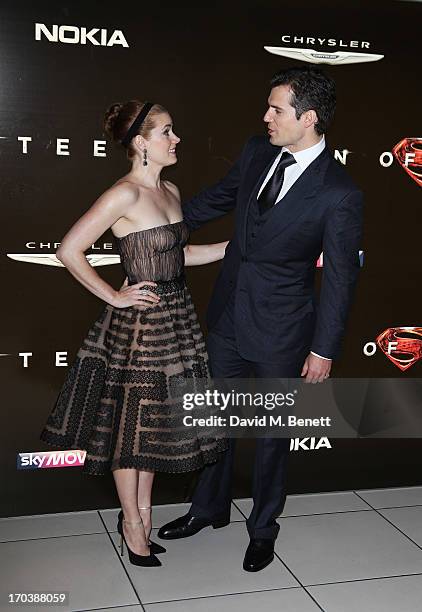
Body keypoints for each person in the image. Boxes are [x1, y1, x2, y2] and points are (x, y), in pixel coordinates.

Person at [158, 67, 364, 572]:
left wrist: (324, 350)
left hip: (282, 330)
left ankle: (263, 528)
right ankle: (207, 509)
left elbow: (340, 278)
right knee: (215, 422)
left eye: (276, 109)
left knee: (271, 435)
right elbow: (217, 198)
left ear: (308, 118)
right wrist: (158, 226)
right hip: (227, 315)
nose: (265, 116)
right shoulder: (257, 151)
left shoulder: (339, 193)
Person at [39, 100, 229, 568]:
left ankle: (142, 515)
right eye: (167, 131)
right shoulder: (123, 194)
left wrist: (234, 247)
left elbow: (177, 258)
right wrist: (115, 296)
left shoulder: (171, 190)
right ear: (141, 143)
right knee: (131, 431)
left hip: (178, 320)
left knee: (151, 430)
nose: (176, 138)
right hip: (140, 329)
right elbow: (69, 249)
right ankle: (133, 527)